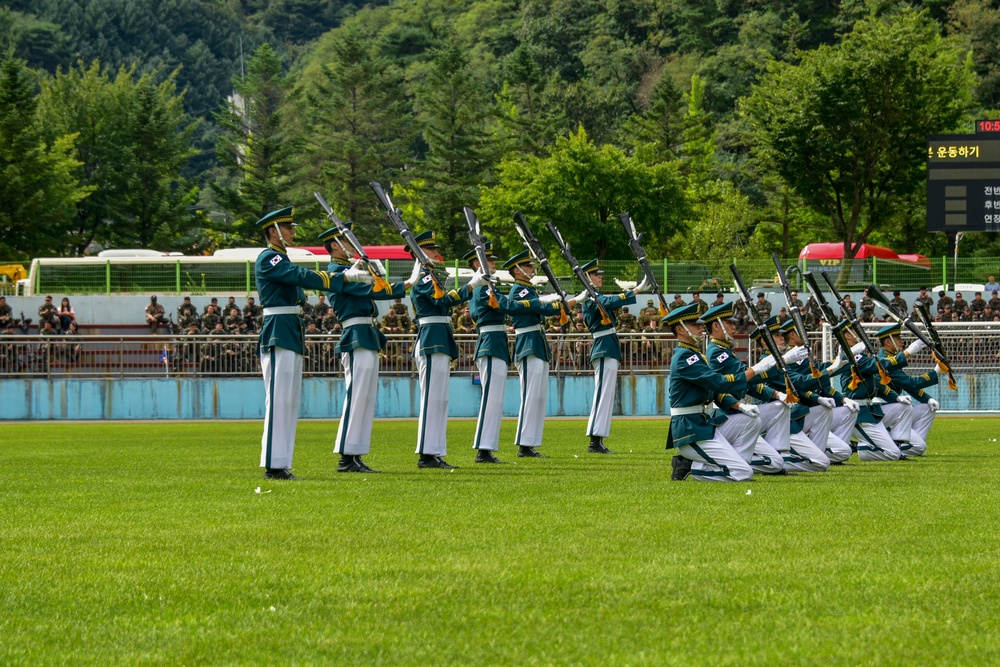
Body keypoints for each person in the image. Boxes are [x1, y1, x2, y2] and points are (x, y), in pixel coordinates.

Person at [255, 206, 369, 480]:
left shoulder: (280, 259)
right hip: (278, 331)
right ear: (273, 231)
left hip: (290, 331)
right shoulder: (269, 258)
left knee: (289, 401)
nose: (293, 232)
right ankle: (273, 464)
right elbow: (301, 277)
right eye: (288, 228)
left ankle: (281, 463)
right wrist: (343, 277)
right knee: (279, 400)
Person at [319, 224, 413, 474]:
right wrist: (408, 282)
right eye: (346, 242)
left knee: (366, 398)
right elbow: (374, 290)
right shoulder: (337, 272)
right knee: (357, 396)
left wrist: (373, 270)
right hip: (355, 334)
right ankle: (346, 457)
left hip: (366, 333)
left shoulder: (348, 270)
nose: (351, 246)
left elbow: (372, 285)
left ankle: (355, 454)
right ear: (336, 246)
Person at [666, 304, 786, 482]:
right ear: (680, 330)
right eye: (695, 325)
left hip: (701, 424)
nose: (701, 328)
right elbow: (719, 383)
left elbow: (714, 390)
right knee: (743, 473)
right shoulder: (685, 357)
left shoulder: (696, 355)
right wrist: (757, 369)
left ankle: (721, 465)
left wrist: (739, 405)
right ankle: (695, 469)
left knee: (750, 426)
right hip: (689, 429)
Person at [410, 230, 486, 469]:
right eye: (431, 249)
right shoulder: (423, 278)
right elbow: (442, 300)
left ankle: (434, 451)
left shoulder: (430, 275)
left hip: (439, 339)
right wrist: (471, 285)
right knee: (432, 398)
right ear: (420, 253)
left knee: (440, 399)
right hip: (431, 340)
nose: (436, 253)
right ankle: (426, 453)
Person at [504, 250, 585, 459]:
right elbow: (529, 307)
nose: (532, 269)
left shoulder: (529, 290)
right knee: (530, 395)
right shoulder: (519, 290)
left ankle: (530, 443)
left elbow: (550, 310)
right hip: (528, 343)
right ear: (518, 270)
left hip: (537, 342)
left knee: (538, 396)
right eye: (528, 266)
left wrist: (572, 300)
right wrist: (548, 299)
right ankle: (523, 443)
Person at [702, 302, 796, 475]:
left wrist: (776, 395)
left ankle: (780, 455)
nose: (734, 326)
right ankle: (717, 463)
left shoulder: (726, 351)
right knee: (765, 463)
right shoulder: (717, 353)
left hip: (742, 414)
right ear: (716, 326)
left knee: (776, 463)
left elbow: (749, 383)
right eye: (729, 323)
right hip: (727, 415)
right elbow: (742, 378)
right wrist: (778, 364)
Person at [580, 259, 648, 453]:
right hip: (603, 348)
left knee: (606, 395)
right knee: (602, 394)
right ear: (587, 278)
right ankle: (594, 441)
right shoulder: (589, 297)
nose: (601, 276)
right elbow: (609, 301)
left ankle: (598, 439)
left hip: (609, 346)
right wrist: (636, 290)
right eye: (596, 274)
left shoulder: (596, 295)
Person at [836, 322, 906, 461]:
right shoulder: (852, 357)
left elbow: (877, 383)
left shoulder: (860, 355)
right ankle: (861, 448)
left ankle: (866, 448)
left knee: (894, 450)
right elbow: (877, 366)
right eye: (856, 331)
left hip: (869, 409)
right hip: (859, 411)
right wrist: (908, 353)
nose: (860, 334)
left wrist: (896, 397)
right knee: (893, 454)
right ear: (848, 335)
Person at [876, 324, 943, 457]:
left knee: (928, 408)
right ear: (888, 342)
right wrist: (936, 371)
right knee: (919, 447)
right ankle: (893, 445)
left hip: (893, 410)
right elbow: (912, 383)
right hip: (884, 411)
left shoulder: (891, 359)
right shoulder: (885, 360)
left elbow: (906, 385)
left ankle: (906, 445)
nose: (901, 341)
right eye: (898, 338)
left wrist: (928, 399)